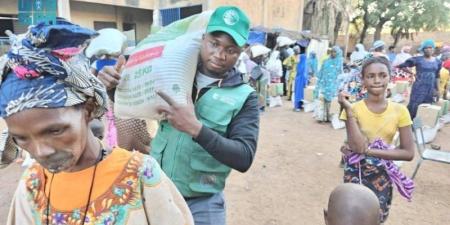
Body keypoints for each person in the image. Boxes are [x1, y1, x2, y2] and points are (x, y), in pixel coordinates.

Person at [2, 20, 193, 225]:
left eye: (55, 131)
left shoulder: (140, 175)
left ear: (89, 108)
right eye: (22, 138)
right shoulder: (32, 185)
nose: (40, 151)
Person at [99, 6, 259, 225]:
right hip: (156, 190)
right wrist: (113, 89)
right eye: (214, 44)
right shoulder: (174, 71)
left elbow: (244, 157)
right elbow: (138, 105)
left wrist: (196, 129)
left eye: (231, 50)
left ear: (242, 51)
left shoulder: (244, 96)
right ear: (203, 39)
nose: (220, 55)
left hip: (203, 204)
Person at [339, 57, 415, 223]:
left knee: (375, 218)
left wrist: (370, 151)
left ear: (390, 77)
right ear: (363, 79)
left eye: (382, 75)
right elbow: (357, 146)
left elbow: (408, 152)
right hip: (356, 173)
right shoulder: (353, 109)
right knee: (351, 217)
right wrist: (349, 110)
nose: (377, 80)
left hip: (382, 175)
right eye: (371, 76)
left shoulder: (400, 111)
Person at [397, 39, 442, 119]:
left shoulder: (438, 61)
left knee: (426, 108)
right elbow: (402, 66)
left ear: (433, 49)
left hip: (430, 89)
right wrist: (412, 73)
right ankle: (408, 125)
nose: (429, 49)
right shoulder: (417, 59)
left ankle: (421, 126)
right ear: (423, 49)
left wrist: (438, 90)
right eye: (426, 48)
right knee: (414, 106)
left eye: (431, 47)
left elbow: (437, 76)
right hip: (418, 88)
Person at [314, 46, 343, 122]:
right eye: (332, 51)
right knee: (322, 100)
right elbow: (320, 72)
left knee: (330, 102)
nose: (333, 53)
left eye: (334, 52)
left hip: (333, 85)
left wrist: (339, 85)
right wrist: (318, 82)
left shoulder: (339, 62)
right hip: (324, 84)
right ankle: (320, 117)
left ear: (338, 53)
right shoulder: (326, 61)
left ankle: (328, 117)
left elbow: (341, 75)